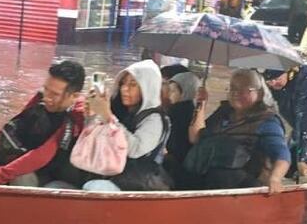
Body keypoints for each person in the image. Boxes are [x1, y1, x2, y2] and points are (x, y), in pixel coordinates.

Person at [0, 61, 88, 187]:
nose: (46, 97)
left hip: (50, 175)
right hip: (23, 161)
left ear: (74, 96)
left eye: (54, 94)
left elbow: (43, 154)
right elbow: (6, 134)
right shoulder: (40, 102)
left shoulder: (76, 117)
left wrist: (0, 175)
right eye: (46, 89)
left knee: (20, 178)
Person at [183, 69, 291, 192]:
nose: (235, 93)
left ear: (260, 93)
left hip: (240, 190)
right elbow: (195, 137)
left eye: (244, 89)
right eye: (232, 88)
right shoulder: (223, 113)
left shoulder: (267, 121)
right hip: (205, 184)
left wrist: (275, 178)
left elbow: (282, 154)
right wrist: (201, 104)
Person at [83, 60, 172, 191]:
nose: (125, 88)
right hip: (111, 173)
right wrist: (92, 116)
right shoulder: (122, 110)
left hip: (136, 182)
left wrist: (108, 117)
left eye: (133, 84)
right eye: (123, 83)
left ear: (147, 87)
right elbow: (94, 139)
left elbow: (135, 150)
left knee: (95, 187)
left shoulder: (155, 119)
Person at [264, 62, 307, 178]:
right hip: (301, 125)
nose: (273, 83)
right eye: (269, 81)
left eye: (276, 78)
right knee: (286, 164)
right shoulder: (273, 84)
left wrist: (305, 160)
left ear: (289, 71)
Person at [163, 70, 200, 180]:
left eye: (173, 91)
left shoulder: (176, 112)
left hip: (174, 163)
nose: (169, 95)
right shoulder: (193, 111)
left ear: (185, 92)